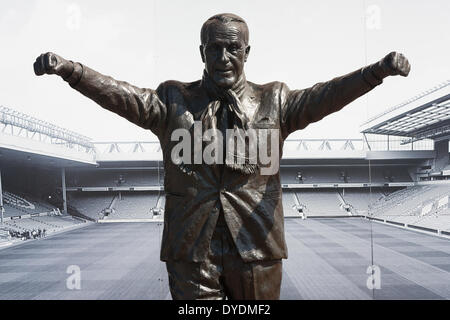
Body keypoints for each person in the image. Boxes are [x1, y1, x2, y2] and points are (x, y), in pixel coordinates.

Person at [33, 13, 410, 299]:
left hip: (256, 247)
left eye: (233, 48)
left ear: (247, 52)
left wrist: (375, 72)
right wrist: (73, 71)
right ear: (202, 52)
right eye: (215, 48)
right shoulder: (172, 99)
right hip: (190, 250)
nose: (224, 57)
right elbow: (122, 95)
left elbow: (327, 95)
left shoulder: (274, 100)